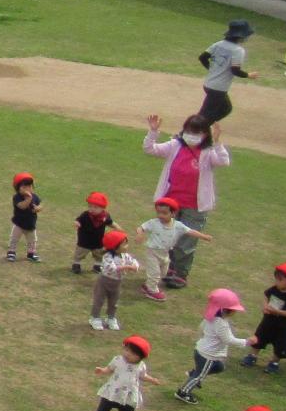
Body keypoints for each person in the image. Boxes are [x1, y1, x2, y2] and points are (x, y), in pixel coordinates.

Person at [142, 114, 230, 290]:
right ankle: (169, 268)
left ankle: (180, 274)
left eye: (196, 132)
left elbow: (223, 161)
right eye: (189, 131)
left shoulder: (207, 152)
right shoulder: (175, 146)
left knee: (187, 242)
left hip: (195, 206)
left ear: (205, 134)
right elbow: (150, 149)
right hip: (171, 204)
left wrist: (218, 142)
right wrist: (153, 131)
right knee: (167, 237)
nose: (191, 135)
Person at [175, 289, 254, 404]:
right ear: (226, 310)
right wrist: (246, 342)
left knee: (219, 367)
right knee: (200, 376)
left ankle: (195, 373)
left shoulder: (210, 318)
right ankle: (183, 392)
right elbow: (228, 340)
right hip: (208, 356)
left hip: (201, 351)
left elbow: (201, 329)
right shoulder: (221, 324)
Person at [136, 197, 212, 302]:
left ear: (173, 213)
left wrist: (204, 236)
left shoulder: (178, 225)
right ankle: (152, 291)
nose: (160, 216)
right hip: (152, 252)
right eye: (158, 212)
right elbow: (141, 227)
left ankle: (147, 285)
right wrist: (140, 233)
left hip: (165, 253)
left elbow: (190, 231)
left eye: (164, 213)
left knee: (163, 273)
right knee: (154, 273)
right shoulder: (154, 223)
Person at [93, 334, 158, 411]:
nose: (128, 354)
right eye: (127, 350)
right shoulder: (118, 360)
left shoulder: (140, 366)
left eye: (132, 353)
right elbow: (110, 368)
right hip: (114, 389)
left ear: (140, 357)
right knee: (106, 404)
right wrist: (102, 370)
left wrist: (152, 380)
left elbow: (143, 376)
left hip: (129, 392)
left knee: (127, 409)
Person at [195, 18, 254, 125]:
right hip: (219, 88)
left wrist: (212, 69)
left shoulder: (218, 44)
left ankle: (204, 126)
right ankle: (193, 130)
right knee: (205, 113)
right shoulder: (238, 51)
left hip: (209, 84)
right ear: (241, 36)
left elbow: (202, 57)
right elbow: (235, 70)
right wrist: (248, 75)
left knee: (225, 108)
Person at [240, 262, 286, 373]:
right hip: (268, 321)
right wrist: (265, 306)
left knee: (281, 344)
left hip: (283, 326)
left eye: (280, 280)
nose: (277, 282)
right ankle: (252, 356)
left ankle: (274, 362)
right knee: (259, 337)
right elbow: (266, 296)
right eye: (276, 279)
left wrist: (278, 312)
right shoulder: (274, 289)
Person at [90, 229, 139, 332]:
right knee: (99, 300)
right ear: (114, 247)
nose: (127, 246)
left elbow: (134, 261)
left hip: (117, 283)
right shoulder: (107, 257)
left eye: (127, 243)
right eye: (124, 244)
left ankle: (111, 318)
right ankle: (95, 318)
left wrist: (135, 266)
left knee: (114, 302)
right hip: (104, 282)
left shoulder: (125, 256)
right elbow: (112, 268)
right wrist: (126, 267)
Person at [72, 191, 115, 274]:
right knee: (80, 253)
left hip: (98, 241)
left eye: (95, 207)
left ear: (103, 208)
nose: (92, 209)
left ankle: (97, 266)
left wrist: (117, 228)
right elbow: (78, 220)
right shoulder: (85, 215)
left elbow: (110, 223)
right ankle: (76, 264)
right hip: (84, 240)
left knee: (99, 254)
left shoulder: (105, 216)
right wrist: (77, 223)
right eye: (90, 206)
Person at [6, 172, 43, 264]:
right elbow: (22, 206)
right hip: (19, 224)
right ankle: (11, 252)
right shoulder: (17, 197)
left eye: (30, 186)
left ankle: (31, 253)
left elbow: (40, 205)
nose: (28, 189)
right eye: (24, 187)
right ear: (17, 188)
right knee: (14, 238)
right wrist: (28, 199)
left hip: (31, 224)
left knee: (32, 240)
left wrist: (38, 209)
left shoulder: (35, 197)